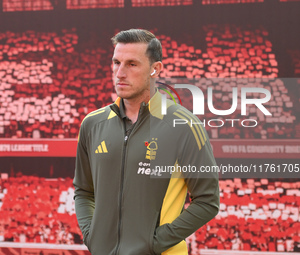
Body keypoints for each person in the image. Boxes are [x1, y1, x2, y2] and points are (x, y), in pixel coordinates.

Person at [73, 28, 220, 255]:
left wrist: (154, 243)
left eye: (132, 64)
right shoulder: (92, 124)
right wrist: (93, 237)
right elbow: (84, 191)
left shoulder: (185, 125)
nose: (120, 73)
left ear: (155, 69)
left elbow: (207, 201)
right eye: (116, 63)